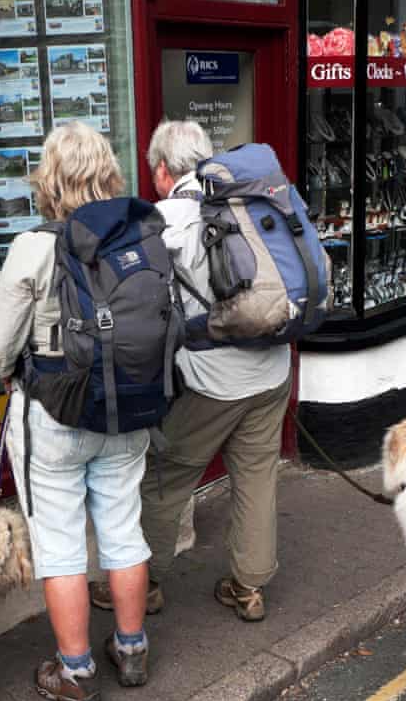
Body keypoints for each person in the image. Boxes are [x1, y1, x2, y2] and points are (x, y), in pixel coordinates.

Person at [0, 122, 151, 701]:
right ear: (108, 170)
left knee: (58, 545)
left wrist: (3, 370)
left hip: (54, 410)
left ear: (47, 179)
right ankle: (131, 648)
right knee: (124, 527)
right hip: (128, 405)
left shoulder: (35, 245)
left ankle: (75, 671)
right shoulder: (139, 235)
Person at [91, 120, 292, 622]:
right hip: (272, 369)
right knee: (257, 477)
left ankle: (146, 584)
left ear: (162, 169)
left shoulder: (165, 220)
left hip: (210, 380)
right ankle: (249, 588)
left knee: (165, 478)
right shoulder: (249, 203)